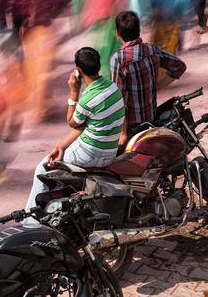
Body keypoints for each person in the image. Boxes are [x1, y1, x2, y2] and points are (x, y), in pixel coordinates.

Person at [25, 47, 124, 210]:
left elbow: (72, 122)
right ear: (99, 65)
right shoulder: (113, 88)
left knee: (42, 168)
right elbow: (85, 125)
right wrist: (61, 146)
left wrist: (74, 91)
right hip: (109, 153)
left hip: (90, 154)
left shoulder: (88, 99)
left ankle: (31, 221)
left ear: (78, 70)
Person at [110, 11, 186, 145]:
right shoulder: (152, 51)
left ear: (117, 33)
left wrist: (122, 133)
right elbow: (179, 66)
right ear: (139, 30)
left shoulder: (118, 59)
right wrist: (158, 86)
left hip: (132, 127)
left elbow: (119, 99)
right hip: (151, 119)